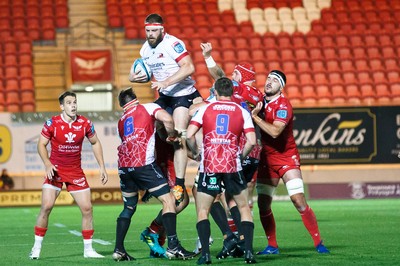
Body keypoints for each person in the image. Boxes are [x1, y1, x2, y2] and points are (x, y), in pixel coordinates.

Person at [250, 70, 330, 255]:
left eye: (274, 80)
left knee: (298, 199)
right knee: (263, 204)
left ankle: (318, 242)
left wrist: (255, 117)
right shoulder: (259, 100)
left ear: (281, 87)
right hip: (266, 159)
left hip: (287, 157)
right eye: (268, 78)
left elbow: (275, 131)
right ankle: (272, 246)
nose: (269, 81)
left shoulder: (284, 105)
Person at [129, 13, 202, 213]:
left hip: (182, 94)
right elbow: (147, 77)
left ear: (162, 29)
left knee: (178, 134)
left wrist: (167, 82)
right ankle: (164, 170)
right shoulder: (144, 49)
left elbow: (189, 67)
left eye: (154, 30)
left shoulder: (173, 44)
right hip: (165, 96)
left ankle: (179, 183)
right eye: (147, 31)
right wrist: (135, 78)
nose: (150, 34)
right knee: (158, 130)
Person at [112, 87, 195, 261]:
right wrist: (172, 135)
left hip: (124, 168)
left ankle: (119, 249)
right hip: (144, 165)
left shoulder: (121, 120)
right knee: (170, 201)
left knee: (128, 208)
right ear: (135, 98)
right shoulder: (148, 107)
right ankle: (171, 244)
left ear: (122, 104)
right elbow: (167, 119)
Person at [29, 91, 109, 260]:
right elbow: (41, 145)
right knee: (47, 206)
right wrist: (47, 163)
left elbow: (95, 142)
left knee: (87, 209)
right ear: (62, 106)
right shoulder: (52, 123)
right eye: (69, 103)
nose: (73, 105)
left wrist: (102, 166)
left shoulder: (85, 123)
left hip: (75, 171)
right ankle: (36, 247)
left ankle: (88, 250)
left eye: (74, 102)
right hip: (55, 170)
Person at [186, 77, 257, 264]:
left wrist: (196, 152)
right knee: (243, 207)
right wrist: (240, 156)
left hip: (210, 164)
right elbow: (251, 141)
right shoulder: (242, 111)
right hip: (232, 164)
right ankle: (249, 253)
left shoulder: (205, 109)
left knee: (202, 209)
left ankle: (206, 255)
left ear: (215, 92)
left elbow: (189, 135)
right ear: (232, 93)